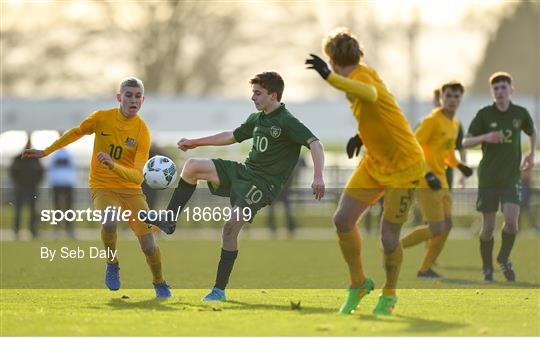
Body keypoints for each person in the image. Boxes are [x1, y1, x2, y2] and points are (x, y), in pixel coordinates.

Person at [149, 71, 325, 302]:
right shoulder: (257, 119)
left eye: (258, 93)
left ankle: (219, 290)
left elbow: (316, 144)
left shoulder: (287, 121)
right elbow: (231, 136)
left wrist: (318, 176)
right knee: (191, 167)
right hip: (244, 172)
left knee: (230, 227)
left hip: (262, 185)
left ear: (273, 95)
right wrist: (195, 142)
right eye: (253, 92)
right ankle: (170, 219)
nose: (253, 97)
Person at [306, 28, 436, 315]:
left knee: (388, 237)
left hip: (404, 166)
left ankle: (389, 294)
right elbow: (378, 113)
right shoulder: (358, 75)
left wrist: (328, 76)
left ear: (334, 60)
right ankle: (359, 284)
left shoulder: (360, 77)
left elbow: (370, 94)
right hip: (376, 161)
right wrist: (362, 136)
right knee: (342, 219)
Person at [23, 77, 172, 297]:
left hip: (131, 191)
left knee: (149, 245)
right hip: (102, 187)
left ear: (143, 100)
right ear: (119, 97)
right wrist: (46, 151)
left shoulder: (142, 131)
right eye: (128, 95)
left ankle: (160, 283)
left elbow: (138, 177)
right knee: (110, 221)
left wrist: (113, 165)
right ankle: (112, 263)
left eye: (137, 96)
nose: (133, 100)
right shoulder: (102, 118)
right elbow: (76, 132)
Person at [463, 71, 536, 282]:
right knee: (488, 226)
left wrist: (531, 153)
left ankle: (503, 258)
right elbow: (466, 142)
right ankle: (487, 268)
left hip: (511, 178)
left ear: (511, 89)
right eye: (496, 88)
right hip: (488, 178)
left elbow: (532, 132)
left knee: (512, 223)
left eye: (504, 87)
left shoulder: (520, 113)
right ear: (492, 92)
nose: (500, 91)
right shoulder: (484, 114)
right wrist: (486, 137)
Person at [400, 81, 473, 278]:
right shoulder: (432, 120)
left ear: (460, 99)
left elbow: (447, 152)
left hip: (442, 181)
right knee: (436, 227)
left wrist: (459, 165)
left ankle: (425, 269)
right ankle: (395, 246)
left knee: (447, 225)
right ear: (441, 98)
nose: (452, 100)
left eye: (456, 97)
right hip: (426, 181)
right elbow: (413, 147)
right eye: (448, 96)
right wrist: (426, 173)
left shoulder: (455, 124)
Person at [10, 137, 44, 239]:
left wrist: (36, 183)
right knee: (18, 210)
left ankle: (33, 231)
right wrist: (17, 182)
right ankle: (16, 230)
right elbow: (12, 172)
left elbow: (41, 172)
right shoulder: (18, 158)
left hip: (32, 188)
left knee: (33, 210)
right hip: (20, 187)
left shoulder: (35, 159)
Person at [267, 156, 306, 237]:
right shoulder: (290, 166)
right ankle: (284, 226)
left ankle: (279, 226)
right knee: (283, 209)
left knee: (280, 209)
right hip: (280, 191)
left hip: (280, 191)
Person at [47, 144, 77, 238]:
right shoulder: (55, 155)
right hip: (57, 182)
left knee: (68, 207)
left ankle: (69, 228)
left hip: (67, 182)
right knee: (57, 208)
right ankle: (58, 228)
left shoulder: (68, 154)